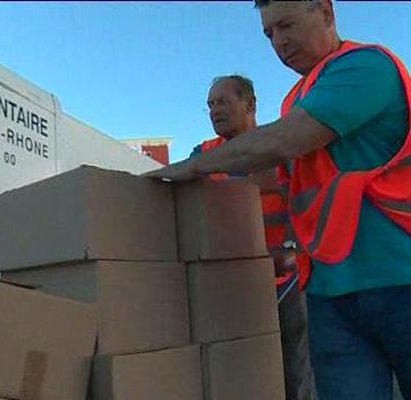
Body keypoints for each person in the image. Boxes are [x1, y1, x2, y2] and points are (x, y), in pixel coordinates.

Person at [146, 1, 411, 399]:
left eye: (286, 25)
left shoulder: (365, 66)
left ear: (324, 11)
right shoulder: (298, 98)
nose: (279, 42)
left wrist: (191, 168)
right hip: (328, 288)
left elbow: (286, 140)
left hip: (397, 278)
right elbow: (286, 177)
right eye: (269, 33)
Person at [195, 74, 315, 400]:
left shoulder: (281, 149)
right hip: (232, 280)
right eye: (210, 105)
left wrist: (290, 251)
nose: (214, 110)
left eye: (223, 102)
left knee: (293, 366)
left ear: (250, 105)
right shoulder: (203, 154)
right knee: (240, 368)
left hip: (284, 280)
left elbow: (305, 205)